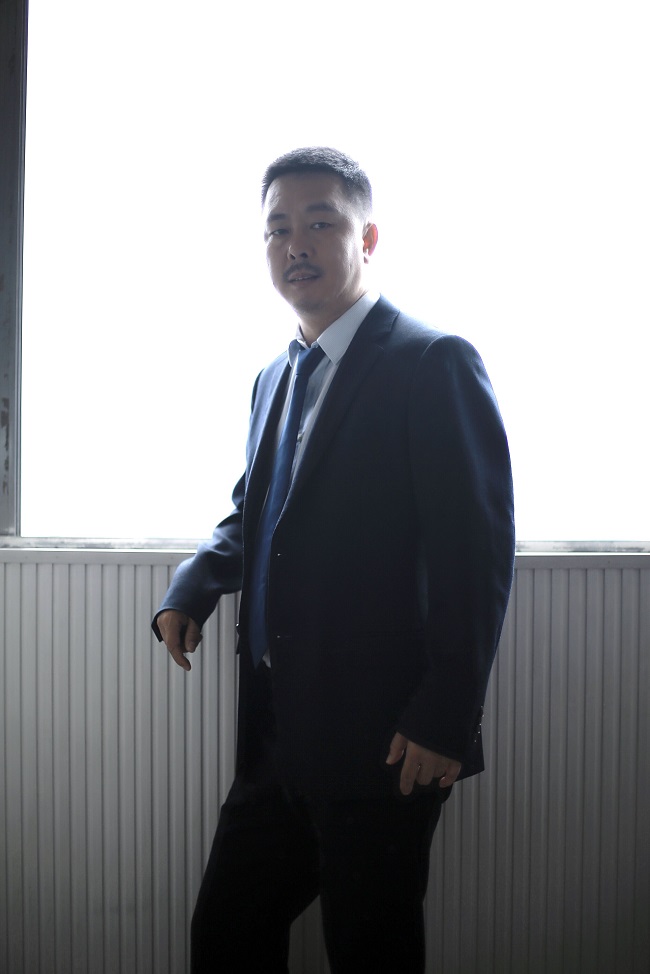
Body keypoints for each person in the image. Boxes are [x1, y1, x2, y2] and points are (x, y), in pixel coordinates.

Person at [153, 146, 515, 974]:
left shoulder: (433, 361)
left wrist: (445, 717)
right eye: (277, 229)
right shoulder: (273, 377)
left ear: (368, 238)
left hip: (386, 741)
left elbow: (477, 555)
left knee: (371, 950)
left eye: (320, 223)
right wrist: (193, 585)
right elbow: (255, 511)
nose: (296, 245)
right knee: (225, 936)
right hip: (277, 736)